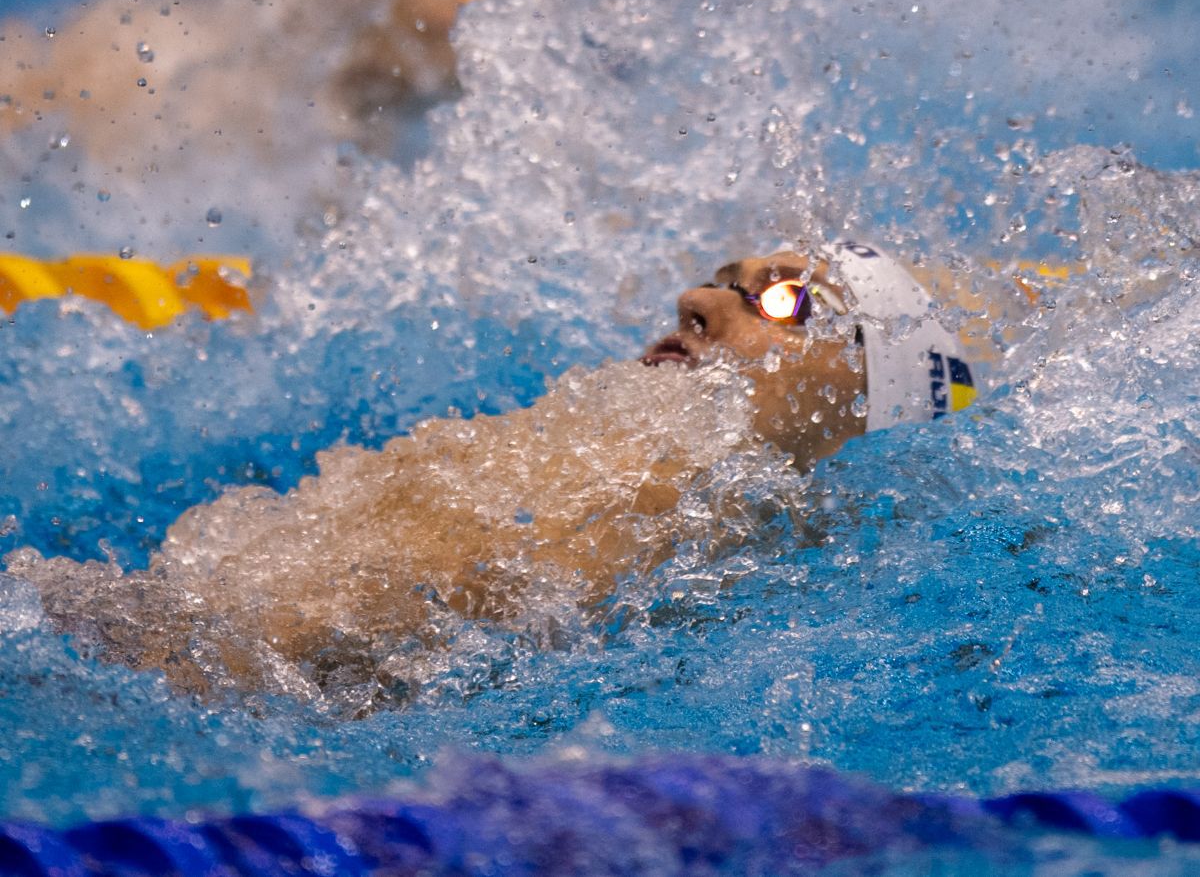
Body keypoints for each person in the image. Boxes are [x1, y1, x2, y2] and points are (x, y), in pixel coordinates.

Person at [7, 240, 978, 701]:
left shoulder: (684, 498)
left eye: (784, 302)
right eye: (724, 278)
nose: (695, 298)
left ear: (860, 393)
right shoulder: (640, 468)